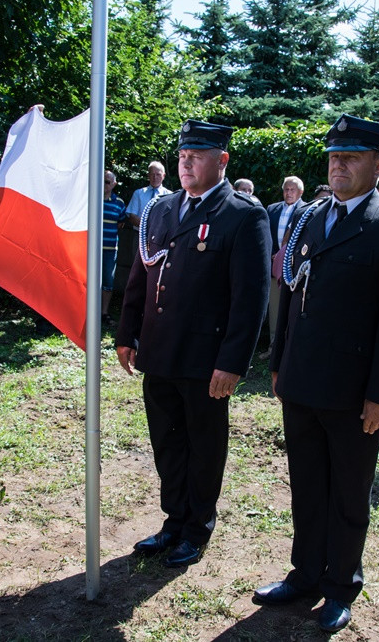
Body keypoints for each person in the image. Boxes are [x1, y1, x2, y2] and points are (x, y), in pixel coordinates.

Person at [256, 114, 379, 632]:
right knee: (306, 486)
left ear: (378, 164)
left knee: (348, 494)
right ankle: (305, 574)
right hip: (303, 382)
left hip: (353, 394)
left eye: (350, 157)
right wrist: (280, 365)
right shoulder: (309, 217)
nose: (338, 165)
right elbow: (292, 296)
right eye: (334, 157)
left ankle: (339, 585)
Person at [115, 120, 270, 568]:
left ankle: (197, 528)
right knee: (166, 441)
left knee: (203, 446)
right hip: (160, 350)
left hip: (205, 359)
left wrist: (233, 362)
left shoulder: (243, 214)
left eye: (197, 156)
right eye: (182, 155)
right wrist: (127, 334)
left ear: (221, 160)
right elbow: (140, 274)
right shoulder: (161, 211)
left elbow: (250, 298)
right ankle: (173, 520)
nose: (186, 163)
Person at [264, 176, 306, 349]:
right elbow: (265, 233)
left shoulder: (307, 210)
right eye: (286, 189)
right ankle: (273, 346)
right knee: (274, 305)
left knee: (293, 305)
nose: (288, 193)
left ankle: (289, 344)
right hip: (273, 265)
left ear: (301, 192)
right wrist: (273, 254)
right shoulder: (272, 209)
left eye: (292, 189)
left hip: (294, 267)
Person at [102, 170, 126, 324]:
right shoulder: (89, 197)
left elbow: (121, 224)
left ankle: (103, 313)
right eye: (102, 180)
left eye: (107, 182)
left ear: (114, 184)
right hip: (89, 248)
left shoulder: (119, 203)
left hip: (110, 249)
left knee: (108, 283)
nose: (104, 184)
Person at [125, 161, 171, 230]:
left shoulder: (170, 196)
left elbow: (171, 219)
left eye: (158, 174)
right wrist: (149, 226)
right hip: (139, 235)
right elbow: (132, 216)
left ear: (163, 176)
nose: (155, 177)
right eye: (152, 174)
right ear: (148, 175)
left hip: (160, 237)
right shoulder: (138, 193)